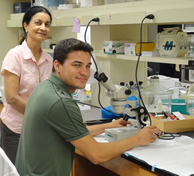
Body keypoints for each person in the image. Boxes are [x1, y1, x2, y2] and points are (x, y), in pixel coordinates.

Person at [15, 38, 161, 176]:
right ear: (57, 65)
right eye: (76, 65)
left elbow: (74, 131)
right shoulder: (61, 102)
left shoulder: (44, 88)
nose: (84, 72)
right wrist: (137, 139)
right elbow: (97, 155)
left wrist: (109, 126)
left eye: (87, 66)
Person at [0, 6, 53, 164]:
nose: (43, 28)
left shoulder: (48, 60)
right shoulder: (15, 56)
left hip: (40, 130)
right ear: (26, 26)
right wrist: (39, 116)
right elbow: (12, 98)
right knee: (15, 172)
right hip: (16, 129)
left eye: (47, 24)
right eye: (38, 23)